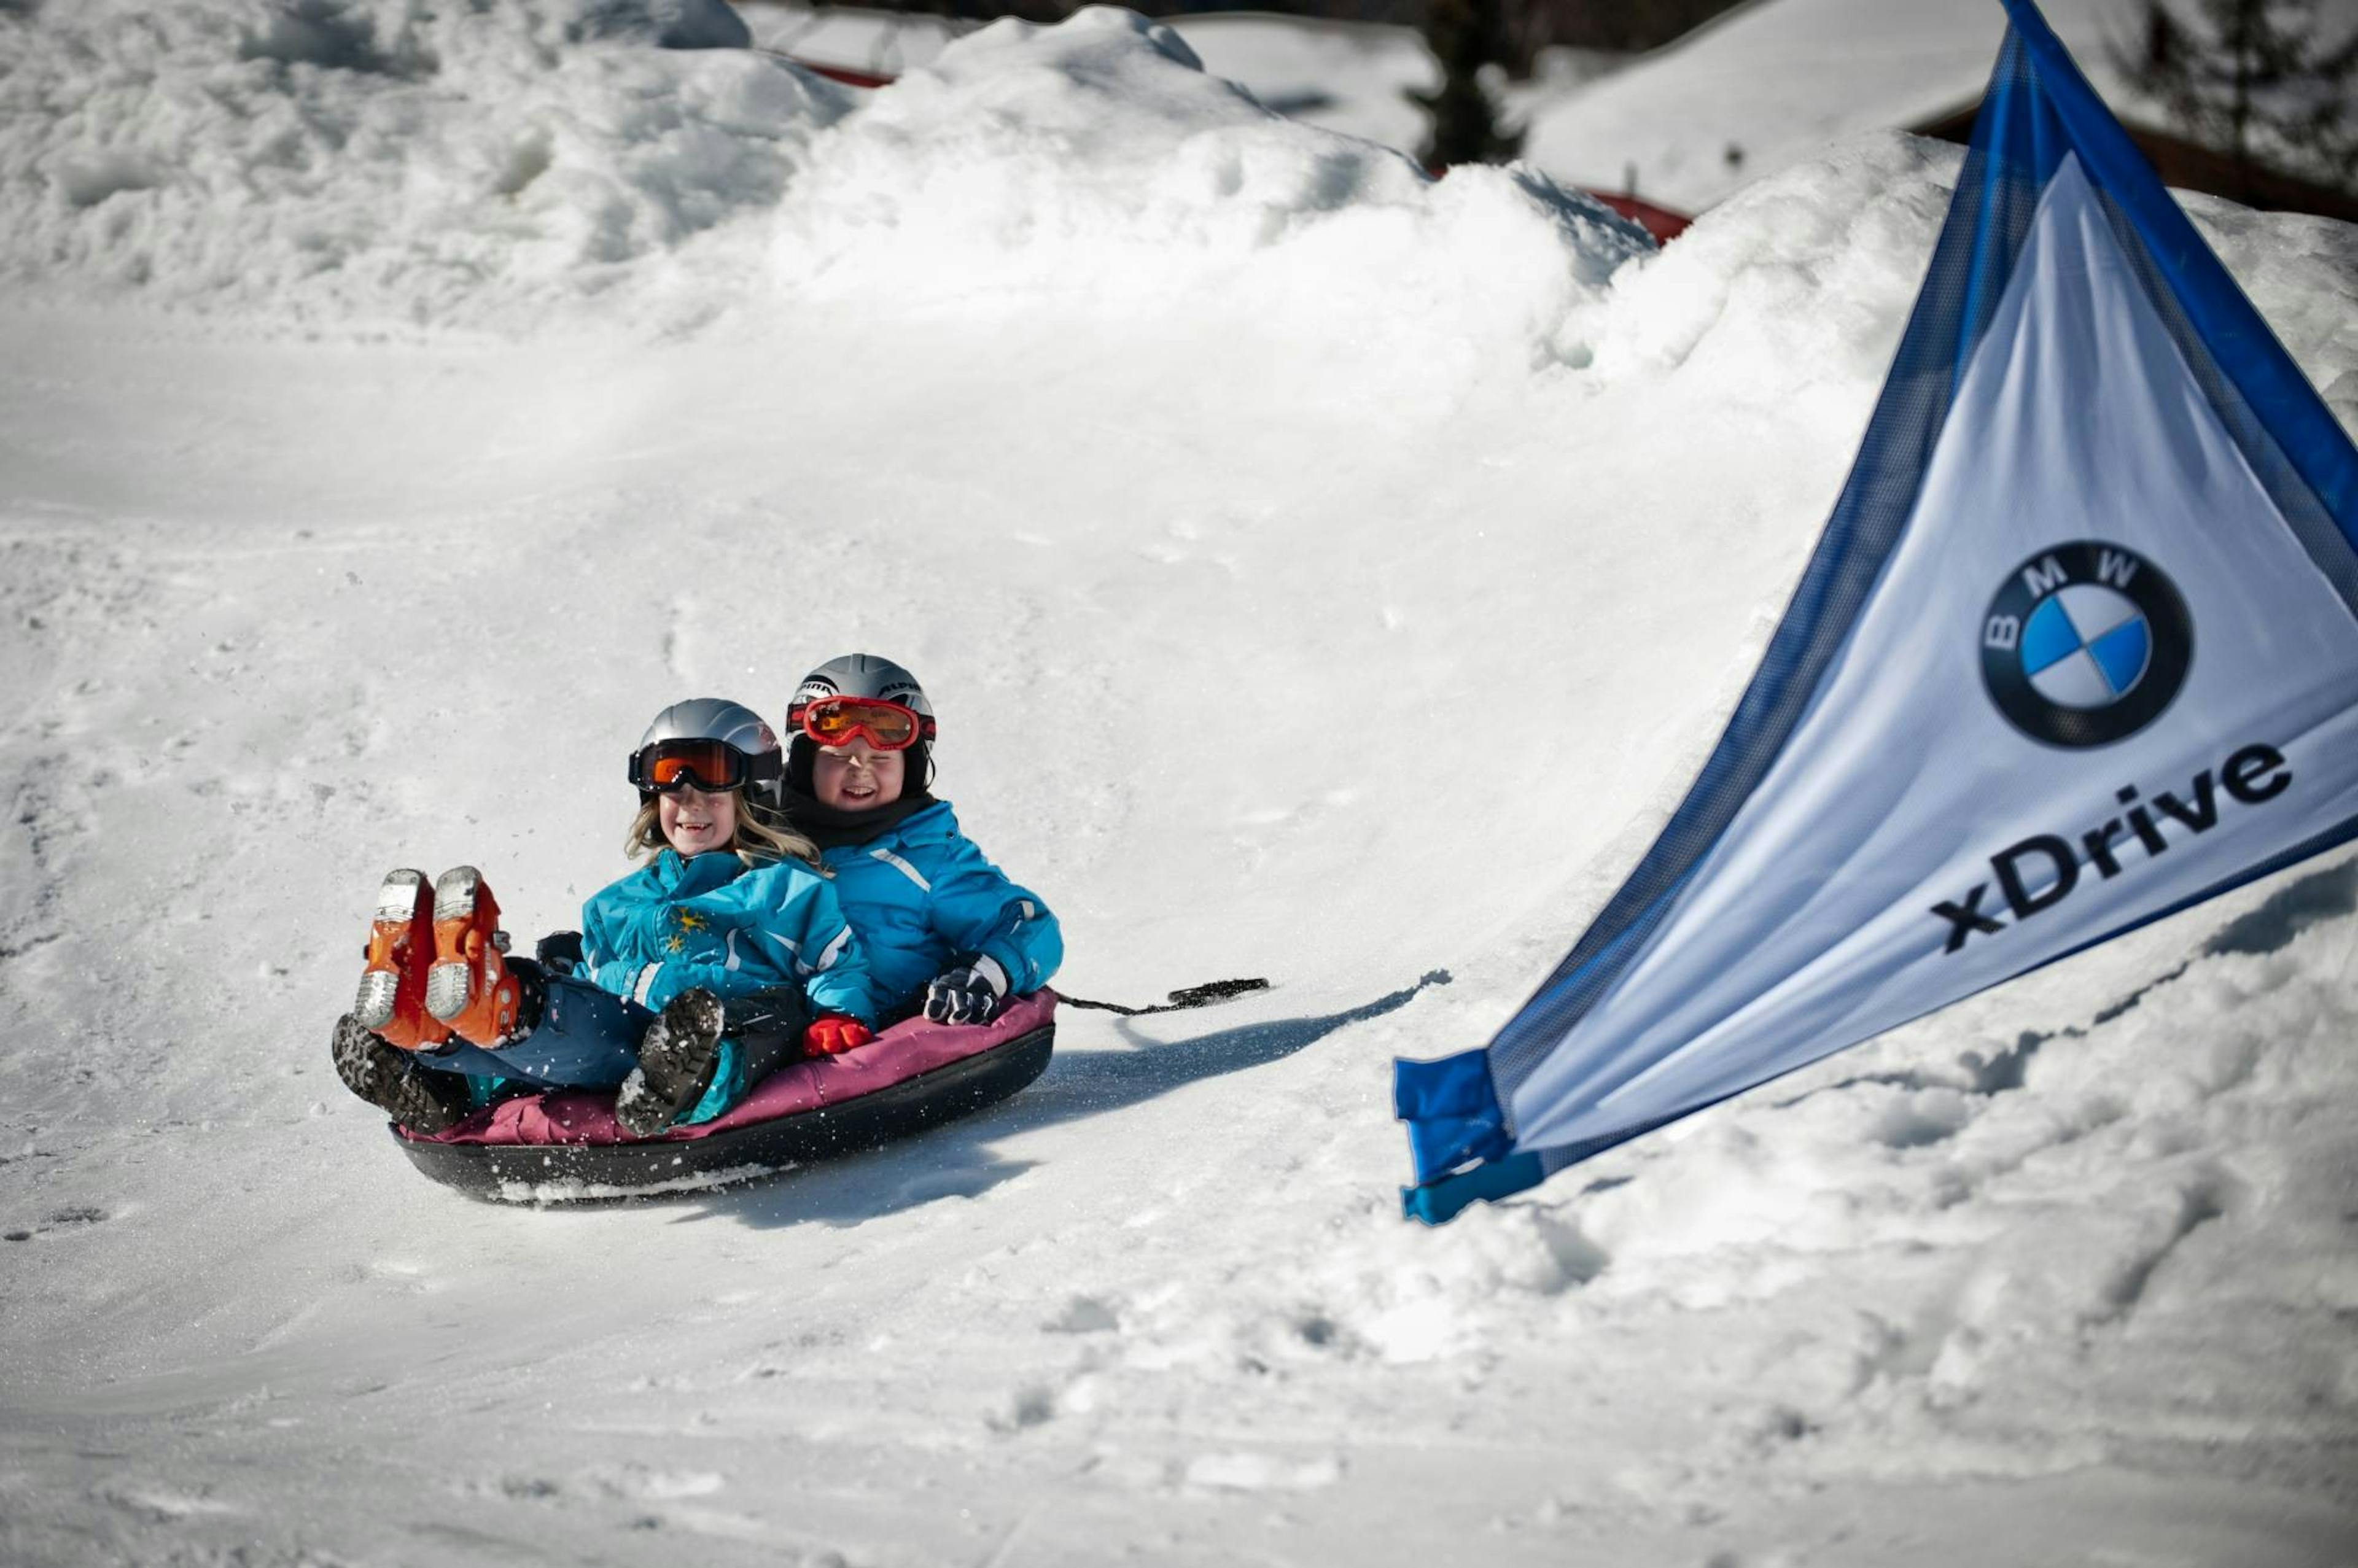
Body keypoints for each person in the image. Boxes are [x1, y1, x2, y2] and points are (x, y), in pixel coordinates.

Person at [329, 699, 878, 1140]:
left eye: (710, 781)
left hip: (715, 1027)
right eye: (670, 781)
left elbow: (836, 963)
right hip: (625, 1034)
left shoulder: (786, 888)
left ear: (753, 794)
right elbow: (591, 985)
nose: (689, 800)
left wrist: (838, 1014)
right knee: (564, 1003)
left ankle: (690, 1081)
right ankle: (436, 1043)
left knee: (771, 1012)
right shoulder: (615, 903)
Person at [780, 654, 1062, 1025]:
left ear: (910, 770)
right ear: (805, 763)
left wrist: (984, 973)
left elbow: (1028, 924)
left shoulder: (931, 858)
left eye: (881, 759)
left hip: (885, 1033)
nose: (859, 770)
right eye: (839, 755)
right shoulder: (763, 841)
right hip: (772, 1024)